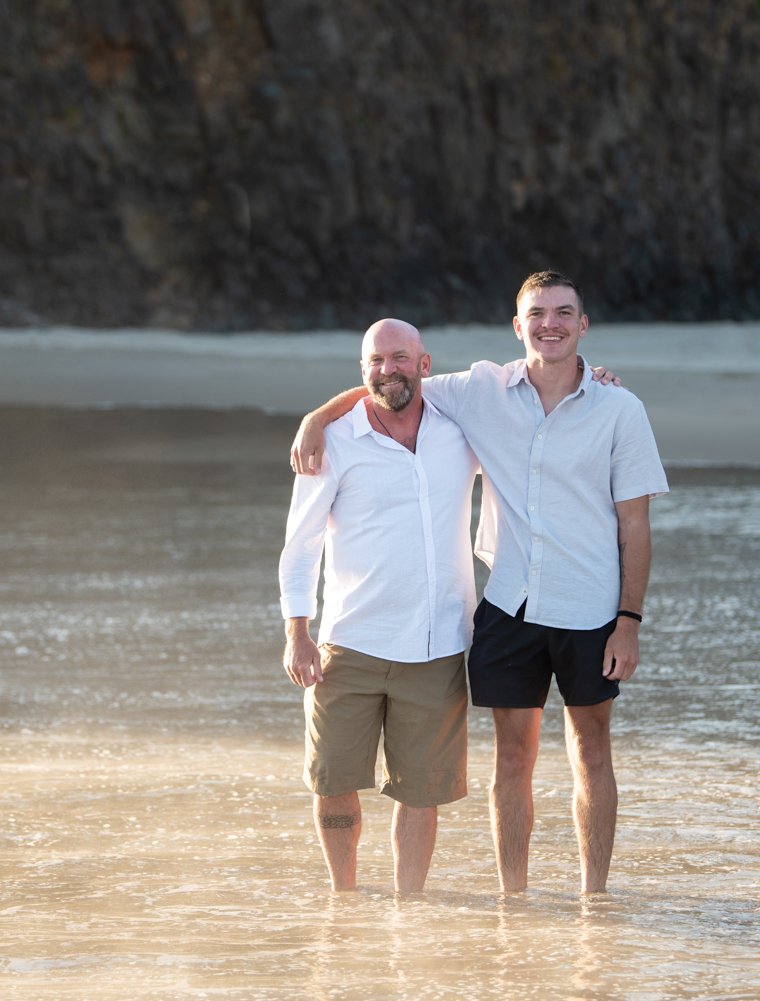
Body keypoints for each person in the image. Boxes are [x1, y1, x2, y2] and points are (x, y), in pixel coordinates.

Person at [291, 271, 667, 894]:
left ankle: (593, 899)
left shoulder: (620, 409)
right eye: (537, 314)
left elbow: (637, 525)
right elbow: (389, 383)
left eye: (563, 313)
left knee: (592, 753)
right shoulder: (479, 392)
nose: (551, 323)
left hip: (591, 608)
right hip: (509, 607)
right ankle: (512, 900)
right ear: (518, 327)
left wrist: (630, 621)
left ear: (582, 325)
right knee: (511, 760)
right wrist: (317, 415)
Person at [279, 318, 478, 894]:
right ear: (361, 370)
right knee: (333, 781)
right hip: (348, 644)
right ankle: (344, 901)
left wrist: (596, 377)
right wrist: (298, 631)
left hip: (437, 644)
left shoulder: (461, 428)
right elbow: (301, 545)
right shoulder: (334, 443)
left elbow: (527, 385)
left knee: (420, 790)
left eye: (398, 358)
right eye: (373, 361)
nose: (386, 369)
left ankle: (407, 908)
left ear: (425, 364)